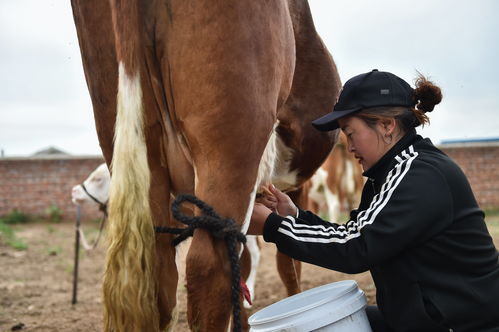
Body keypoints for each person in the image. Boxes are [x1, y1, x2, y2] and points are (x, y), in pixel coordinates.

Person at [249, 69, 499, 332]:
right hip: (423, 318)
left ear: (386, 125)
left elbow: (357, 248)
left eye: (350, 131)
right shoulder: (388, 174)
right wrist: (295, 216)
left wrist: (272, 226)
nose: (348, 145)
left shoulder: (420, 175)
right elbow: (353, 233)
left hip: (465, 324)